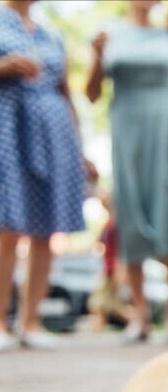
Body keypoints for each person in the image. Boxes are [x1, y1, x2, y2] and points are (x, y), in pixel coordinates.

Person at [86, 0, 168, 344]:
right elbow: (92, 94)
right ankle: (139, 313)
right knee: (131, 214)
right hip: (128, 132)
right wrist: (95, 57)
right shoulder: (110, 33)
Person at [0, 0, 88, 351]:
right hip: (9, 130)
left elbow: (66, 93)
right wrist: (5, 66)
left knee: (46, 228)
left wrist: (80, 150)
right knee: (7, 227)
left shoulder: (52, 34)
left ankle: (31, 321)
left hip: (54, 135)